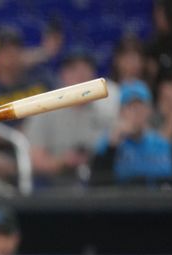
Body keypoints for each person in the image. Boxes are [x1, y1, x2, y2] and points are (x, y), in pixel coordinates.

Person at [0, 26, 50, 182]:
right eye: (5, 52)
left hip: (45, 147)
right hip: (6, 151)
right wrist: (17, 133)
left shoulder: (40, 81)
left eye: (16, 51)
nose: (11, 57)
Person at [24, 51, 111, 188]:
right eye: (74, 69)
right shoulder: (44, 110)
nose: (81, 75)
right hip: (53, 186)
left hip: (97, 186)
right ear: (62, 75)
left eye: (86, 69)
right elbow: (34, 160)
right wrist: (63, 162)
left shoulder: (104, 114)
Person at [91, 81, 172, 187]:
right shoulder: (108, 143)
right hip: (122, 200)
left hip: (157, 200)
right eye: (130, 107)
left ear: (149, 110)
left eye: (141, 106)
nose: (136, 112)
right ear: (121, 112)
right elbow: (95, 185)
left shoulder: (162, 144)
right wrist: (112, 147)